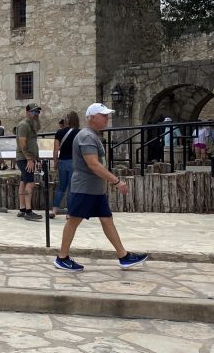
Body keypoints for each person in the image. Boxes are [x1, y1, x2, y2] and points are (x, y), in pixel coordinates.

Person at [54, 103, 148, 272]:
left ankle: (123, 256)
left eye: (107, 115)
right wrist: (116, 181)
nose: (106, 118)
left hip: (95, 189)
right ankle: (62, 258)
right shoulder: (87, 137)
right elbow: (94, 165)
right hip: (84, 188)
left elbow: (97, 165)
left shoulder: (92, 136)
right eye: (103, 115)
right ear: (92, 118)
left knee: (106, 219)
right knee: (74, 220)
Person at [50, 111, 80, 218]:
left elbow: (55, 150)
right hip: (74, 162)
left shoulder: (59, 132)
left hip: (62, 162)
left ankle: (54, 210)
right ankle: (69, 212)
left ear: (67, 120)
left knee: (61, 187)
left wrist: (55, 162)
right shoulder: (79, 132)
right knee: (71, 188)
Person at [15, 104, 42, 220]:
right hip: (24, 158)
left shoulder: (33, 123)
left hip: (29, 157)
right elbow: (22, 144)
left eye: (37, 112)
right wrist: (30, 159)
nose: (35, 114)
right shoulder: (23, 125)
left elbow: (38, 130)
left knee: (23, 181)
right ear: (27, 112)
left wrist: (37, 158)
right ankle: (28, 211)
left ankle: (22, 209)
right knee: (30, 183)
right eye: (33, 112)